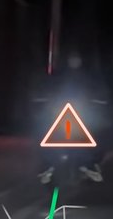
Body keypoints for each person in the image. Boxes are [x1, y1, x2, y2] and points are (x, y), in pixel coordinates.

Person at [38, 52, 108, 184]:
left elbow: (99, 91)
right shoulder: (58, 76)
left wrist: (99, 101)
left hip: (83, 111)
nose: (74, 61)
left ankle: (90, 165)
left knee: (96, 131)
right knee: (44, 131)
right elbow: (47, 89)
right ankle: (47, 166)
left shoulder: (89, 76)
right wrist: (44, 100)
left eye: (76, 58)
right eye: (72, 58)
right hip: (59, 111)